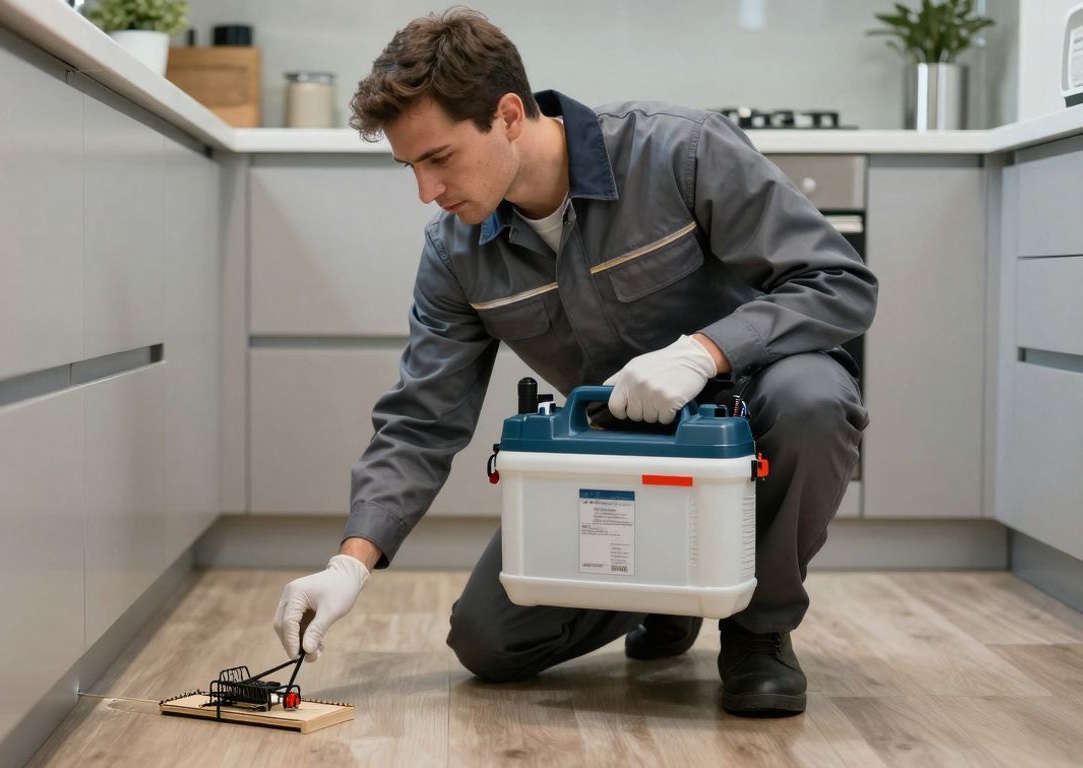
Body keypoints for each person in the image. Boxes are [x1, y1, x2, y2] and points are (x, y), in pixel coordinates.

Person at [272, 8, 875, 717]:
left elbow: (839, 283)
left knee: (814, 397)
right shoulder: (455, 254)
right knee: (488, 643)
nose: (427, 192)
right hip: (616, 450)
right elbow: (422, 419)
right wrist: (352, 562)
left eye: (438, 158)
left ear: (506, 116)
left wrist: (704, 351)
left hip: (747, 413)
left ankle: (758, 633)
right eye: (411, 167)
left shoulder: (679, 151)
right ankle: (668, 594)